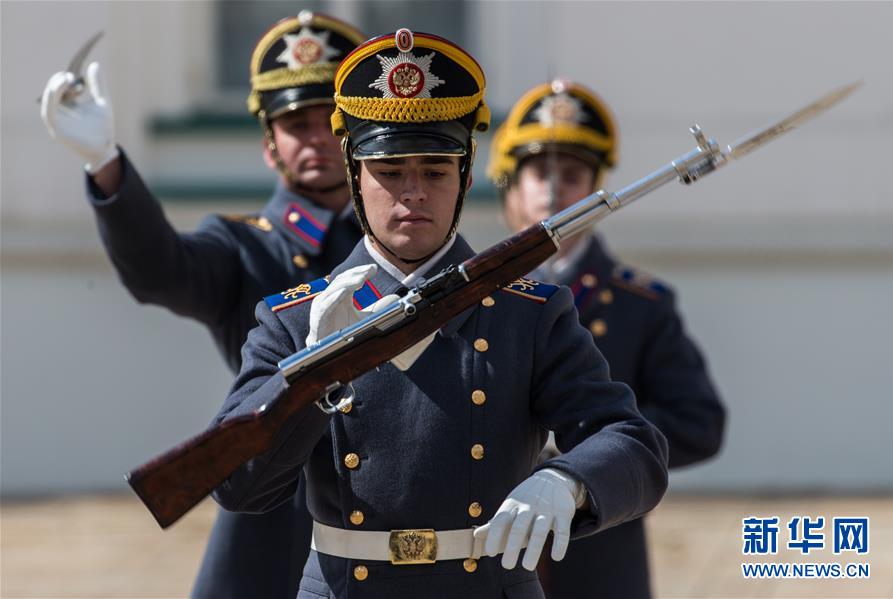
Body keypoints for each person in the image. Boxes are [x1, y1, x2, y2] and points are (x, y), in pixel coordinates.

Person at [212, 29, 669, 599]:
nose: (414, 193)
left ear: (466, 179)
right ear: (356, 177)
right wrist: (311, 374)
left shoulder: (530, 314)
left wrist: (567, 480)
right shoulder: (295, 320)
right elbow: (237, 485)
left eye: (434, 170)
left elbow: (633, 443)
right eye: (391, 170)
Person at [39, 12, 366, 598]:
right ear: (270, 146)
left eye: (329, 121)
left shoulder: (398, 246)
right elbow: (160, 270)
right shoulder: (245, 246)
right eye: (295, 122)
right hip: (277, 513)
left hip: (390, 502)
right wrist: (106, 165)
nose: (315, 137)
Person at [488, 79, 726, 598]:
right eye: (538, 172)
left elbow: (699, 423)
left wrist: (589, 455)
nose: (553, 190)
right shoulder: (476, 297)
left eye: (572, 175)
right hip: (489, 556)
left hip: (598, 553)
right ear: (511, 184)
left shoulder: (643, 304)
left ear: (597, 187)